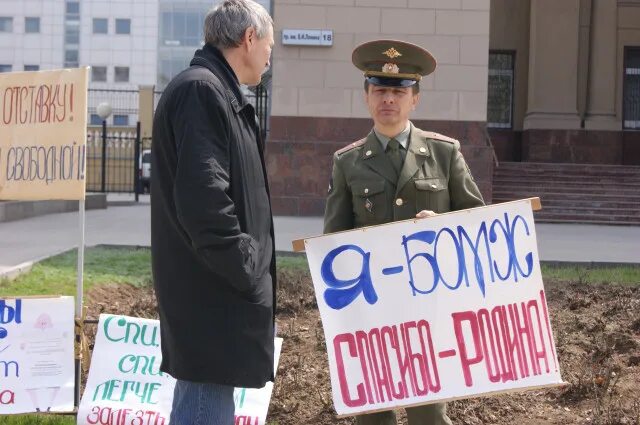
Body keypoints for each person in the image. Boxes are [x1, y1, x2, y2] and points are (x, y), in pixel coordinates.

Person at [323, 39, 485, 425]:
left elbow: (478, 225)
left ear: (415, 99)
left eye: (399, 91)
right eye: (380, 90)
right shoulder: (347, 163)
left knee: (429, 415)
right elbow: (333, 242)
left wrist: (442, 228)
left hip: (427, 311)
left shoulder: (445, 154)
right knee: (373, 418)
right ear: (366, 97)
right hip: (371, 314)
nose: (388, 99)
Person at [150, 1, 276, 423]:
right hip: (213, 296)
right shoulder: (203, 91)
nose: (269, 57)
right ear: (249, 38)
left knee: (203, 402)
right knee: (204, 406)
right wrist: (246, 262)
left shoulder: (215, 91)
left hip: (214, 294)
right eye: (268, 47)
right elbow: (204, 201)